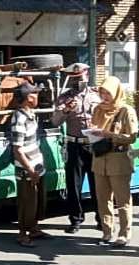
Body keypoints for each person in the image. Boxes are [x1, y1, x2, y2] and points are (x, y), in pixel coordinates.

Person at [51, 63, 101, 234]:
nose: (77, 82)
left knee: (98, 185)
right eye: (73, 79)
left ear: (87, 75)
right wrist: (65, 110)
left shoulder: (97, 94)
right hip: (75, 144)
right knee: (74, 185)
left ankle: (102, 220)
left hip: (94, 144)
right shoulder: (64, 97)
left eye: (79, 78)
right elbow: (55, 121)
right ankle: (75, 219)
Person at [90, 76, 139, 247]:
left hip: (118, 160)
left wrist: (110, 135)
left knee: (122, 199)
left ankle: (124, 234)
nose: (104, 96)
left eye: (108, 93)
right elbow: (93, 128)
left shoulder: (126, 110)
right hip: (99, 159)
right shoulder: (97, 109)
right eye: (102, 92)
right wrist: (91, 133)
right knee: (102, 198)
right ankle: (106, 231)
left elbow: (132, 137)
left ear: (116, 92)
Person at [10, 81, 50, 247]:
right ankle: (22, 234)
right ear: (27, 98)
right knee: (27, 202)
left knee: (36, 201)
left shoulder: (31, 114)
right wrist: (30, 170)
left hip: (36, 166)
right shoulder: (19, 118)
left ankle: (33, 229)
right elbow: (17, 150)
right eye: (34, 93)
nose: (37, 95)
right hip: (28, 169)